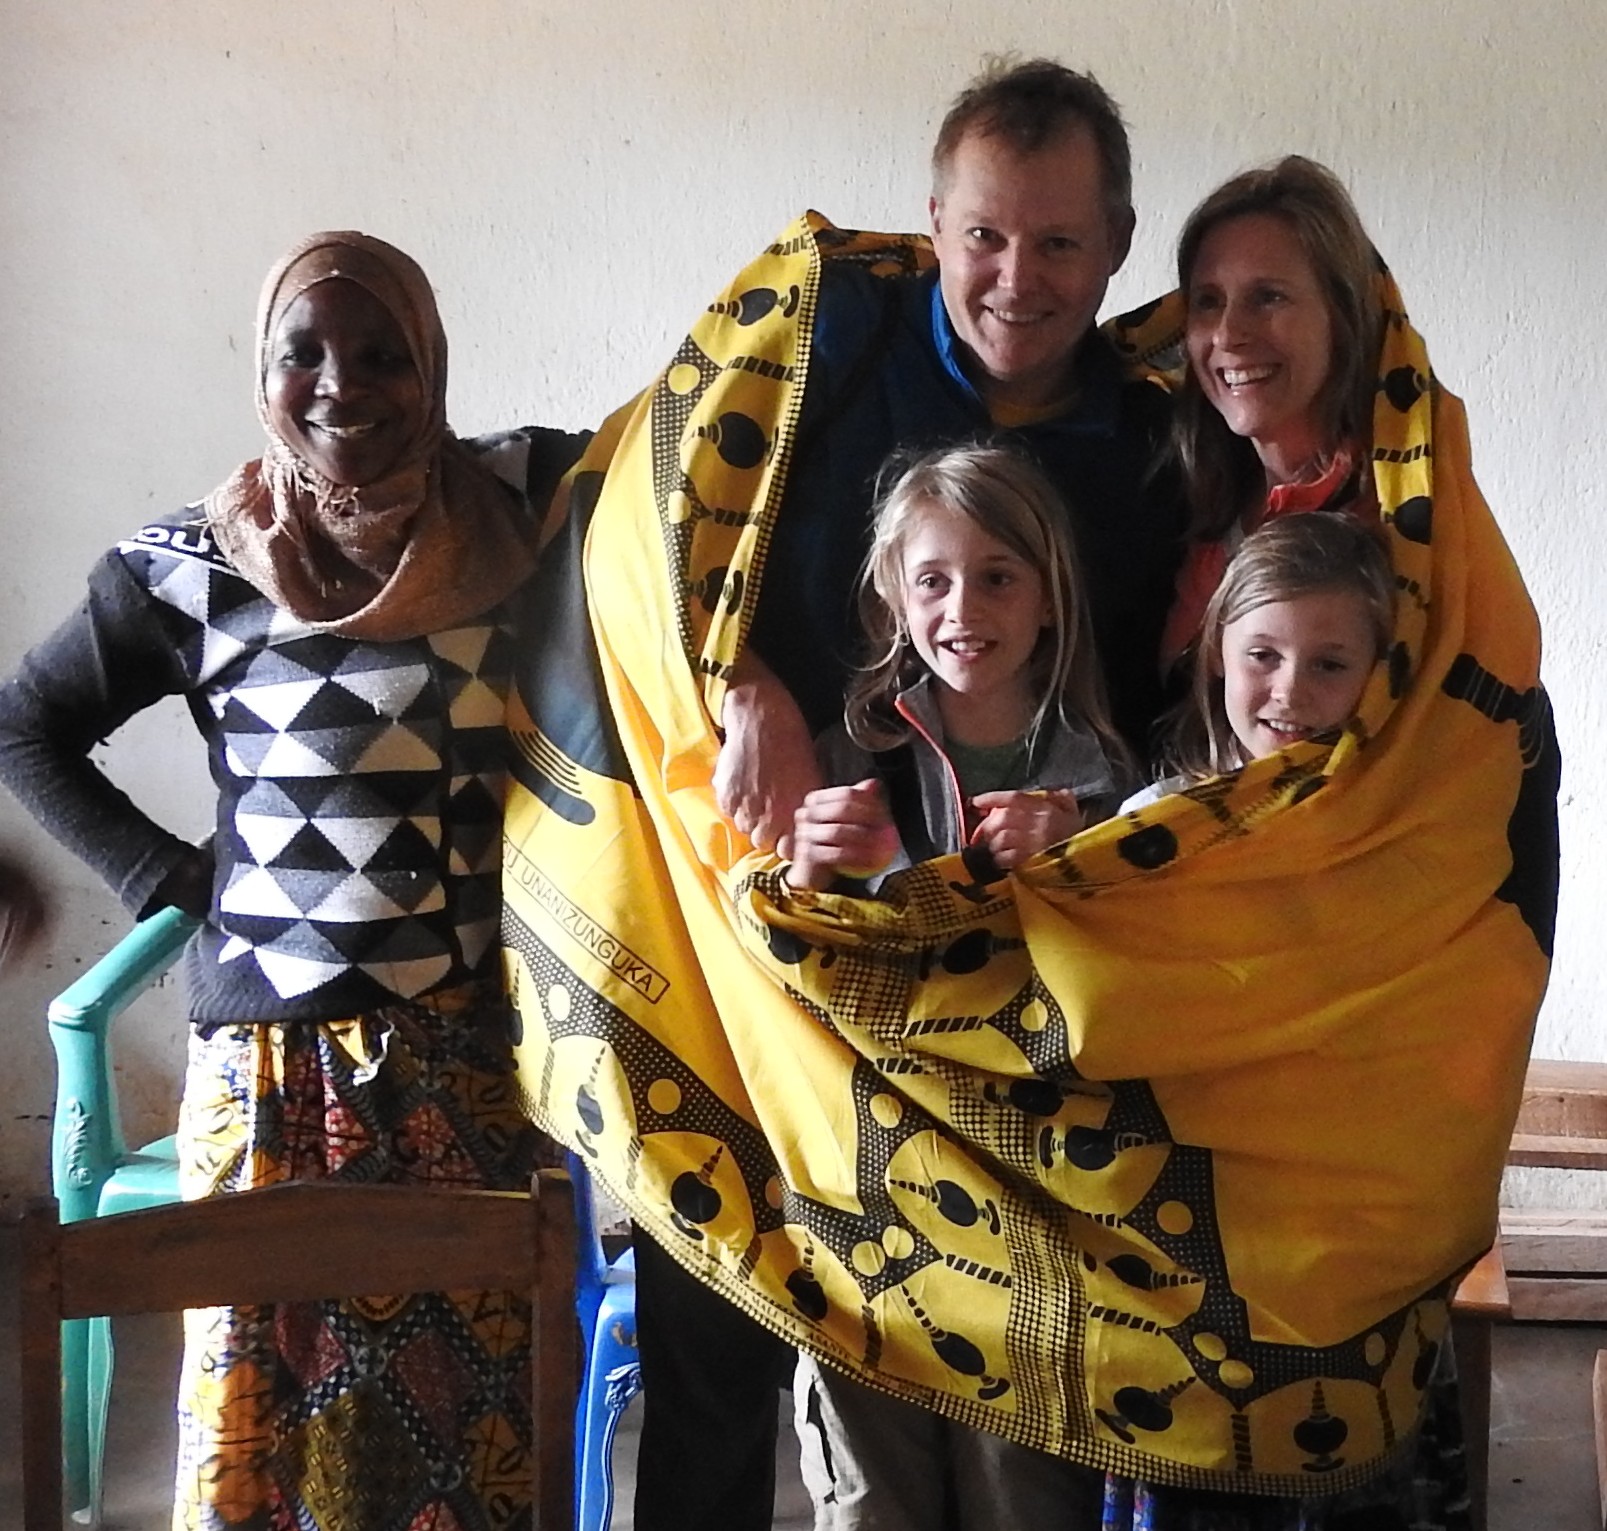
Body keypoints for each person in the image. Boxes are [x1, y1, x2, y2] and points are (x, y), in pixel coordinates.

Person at [632, 58, 1187, 1531]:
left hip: (1018, 1011)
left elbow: (1169, 720)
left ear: (1116, 245)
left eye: (1058, 241)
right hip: (776, 907)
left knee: (1010, 1400)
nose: (1016, 278)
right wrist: (741, 685)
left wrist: (1080, 838)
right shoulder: (819, 349)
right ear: (932, 222)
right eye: (984, 234)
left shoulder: (1152, 442)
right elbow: (646, 532)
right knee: (721, 1318)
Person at [0, 231, 585, 1531]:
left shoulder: (516, 514)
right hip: (269, 1075)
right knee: (259, 1430)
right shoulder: (189, 565)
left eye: (381, 354)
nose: (341, 384)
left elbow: (678, 467)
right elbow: (23, 724)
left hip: (467, 1060)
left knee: (462, 1425)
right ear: (260, 371)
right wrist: (170, 875)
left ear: (432, 364)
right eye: (301, 352)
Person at [786, 441, 1127, 1526]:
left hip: (1038, 1205)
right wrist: (799, 873)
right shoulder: (844, 758)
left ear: (1048, 597)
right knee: (870, 1485)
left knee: (1023, 1485)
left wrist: (1079, 857)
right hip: (867, 1198)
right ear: (892, 595)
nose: (962, 608)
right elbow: (784, 966)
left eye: (997, 577)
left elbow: (1145, 968)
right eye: (931, 579)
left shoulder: (1108, 780)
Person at [1158, 155, 1383, 669]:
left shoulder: (1394, 523)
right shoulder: (1189, 490)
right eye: (1208, 301)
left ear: (1341, 317)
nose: (1229, 334)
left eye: (1268, 297)